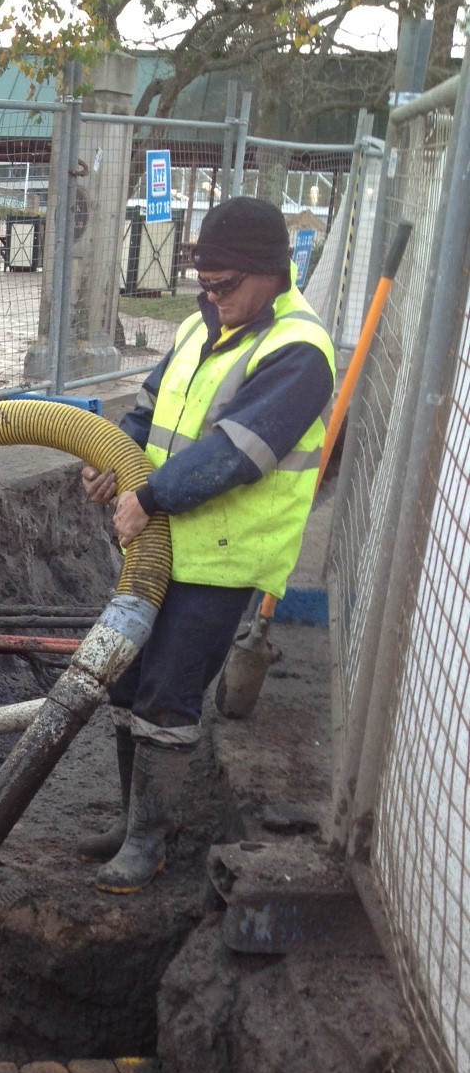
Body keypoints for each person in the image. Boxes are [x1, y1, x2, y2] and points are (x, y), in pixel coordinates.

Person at [80, 195, 335, 893]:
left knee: (167, 694)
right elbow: (149, 404)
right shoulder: (204, 325)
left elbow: (235, 455)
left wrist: (148, 497)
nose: (212, 296)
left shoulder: (298, 353)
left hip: (221, 555)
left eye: (226, 285)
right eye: (205, 283)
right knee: (127, 680)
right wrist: (116, 457)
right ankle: (131, 821)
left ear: (272, 272)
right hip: (160, 542)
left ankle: (149, 843)